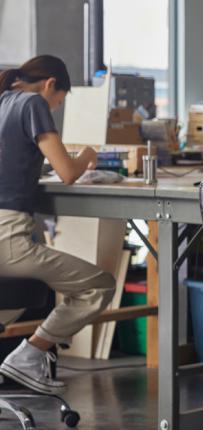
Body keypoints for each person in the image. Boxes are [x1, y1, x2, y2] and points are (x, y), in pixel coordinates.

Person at [0, 55, 114, 395]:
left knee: (28, 289)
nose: (57, 106)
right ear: (50, 84)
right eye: (60, 100)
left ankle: (27, 357)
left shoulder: (3, 100)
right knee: (100, 286)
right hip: (8, 239)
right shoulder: (32, 102)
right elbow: (67, 172)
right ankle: (29, 354)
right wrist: (88, 156)